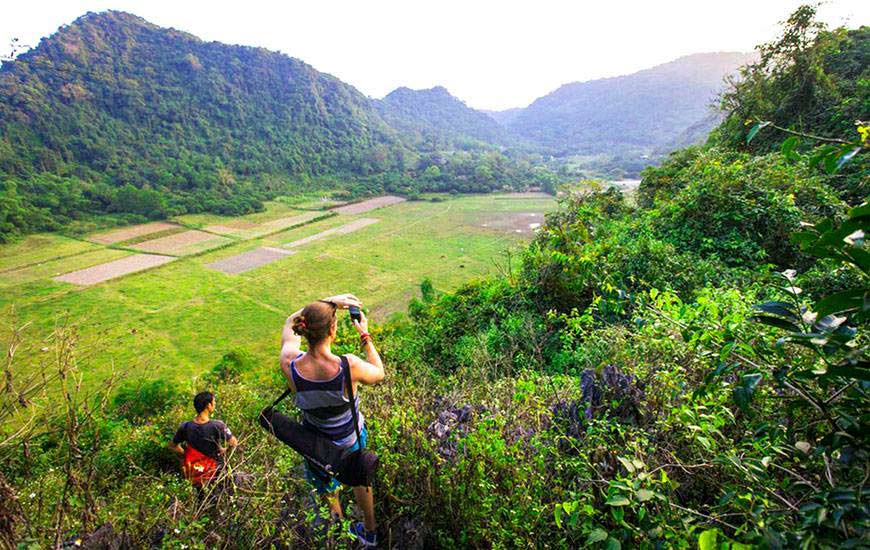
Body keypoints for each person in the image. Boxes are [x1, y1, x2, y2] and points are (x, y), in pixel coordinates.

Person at [280, 294, 385, 548]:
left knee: (327, 487)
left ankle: (339, 533)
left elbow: (288, 322)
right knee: (361, 477)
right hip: (350, 440)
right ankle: (369, 533)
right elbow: (379, 373)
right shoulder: (348, 366)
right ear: (333, 330)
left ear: (304, 329)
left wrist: (328, 302)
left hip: (316, 445)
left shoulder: (290, 363)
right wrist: (365, 335)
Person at [169, 391, 238, 488]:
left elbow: (172, 445)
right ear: (208, 405)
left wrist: (186, 455)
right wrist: (225, 451)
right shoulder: (218, 425)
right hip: (215, 472)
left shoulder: (185, 426)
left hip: (195, 473)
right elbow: (233, 442)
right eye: (214, 402)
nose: (214, 404)